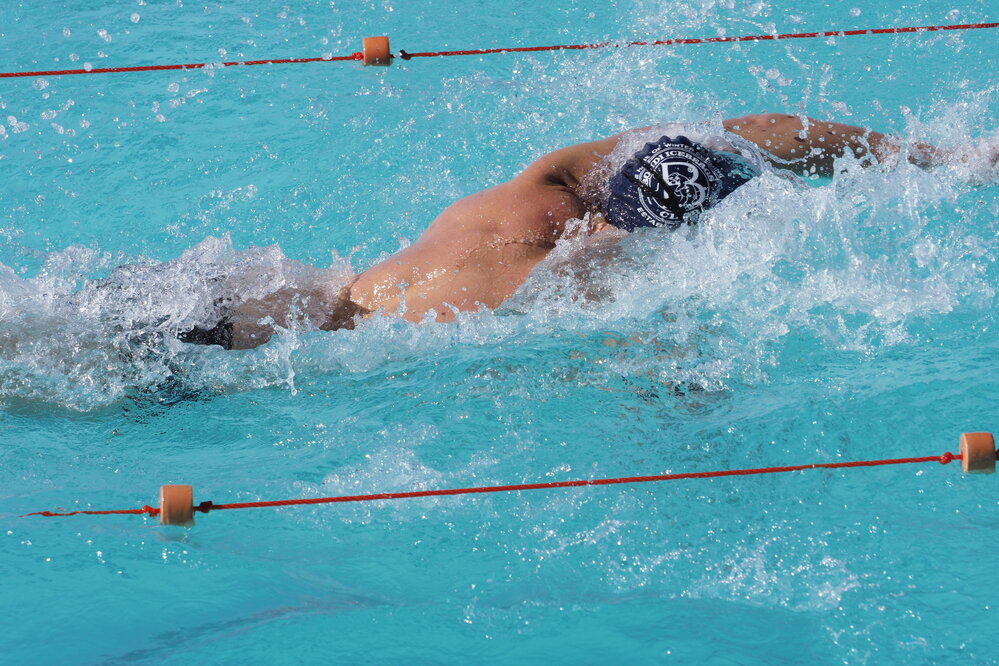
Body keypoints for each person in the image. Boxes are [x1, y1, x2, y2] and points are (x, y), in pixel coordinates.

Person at [179, 113, 960, 350]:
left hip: (292, 295)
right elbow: (642, 364)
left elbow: (747, 129)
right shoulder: (577, 276)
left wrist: (936, 157)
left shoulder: (539, 188)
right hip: (296, 345)